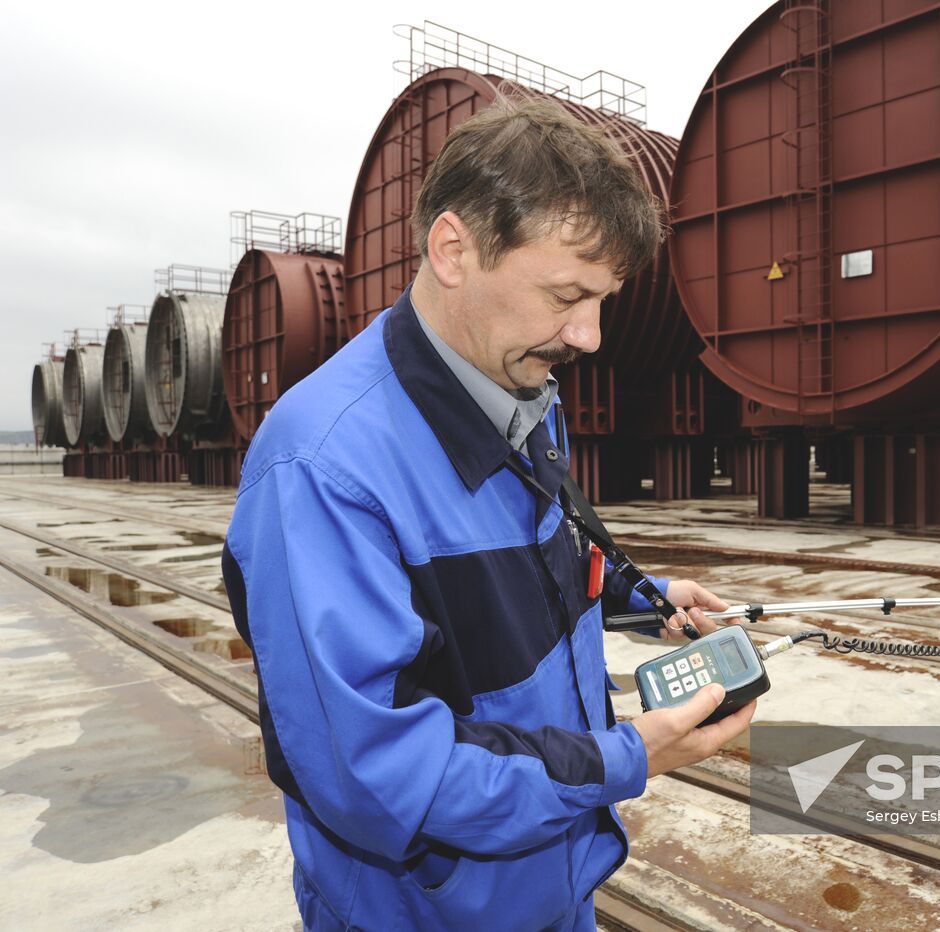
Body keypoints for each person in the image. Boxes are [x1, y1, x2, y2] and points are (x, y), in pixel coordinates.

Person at [222, 94, 756, 930]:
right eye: (566, 295)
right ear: (453, 250)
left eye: (604, 299)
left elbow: (518, 565)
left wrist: (637, 598)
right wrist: (628, 756)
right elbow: (382, 775)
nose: (589, 335)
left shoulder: (525, 390)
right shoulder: (321, 469)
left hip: (552, 883)